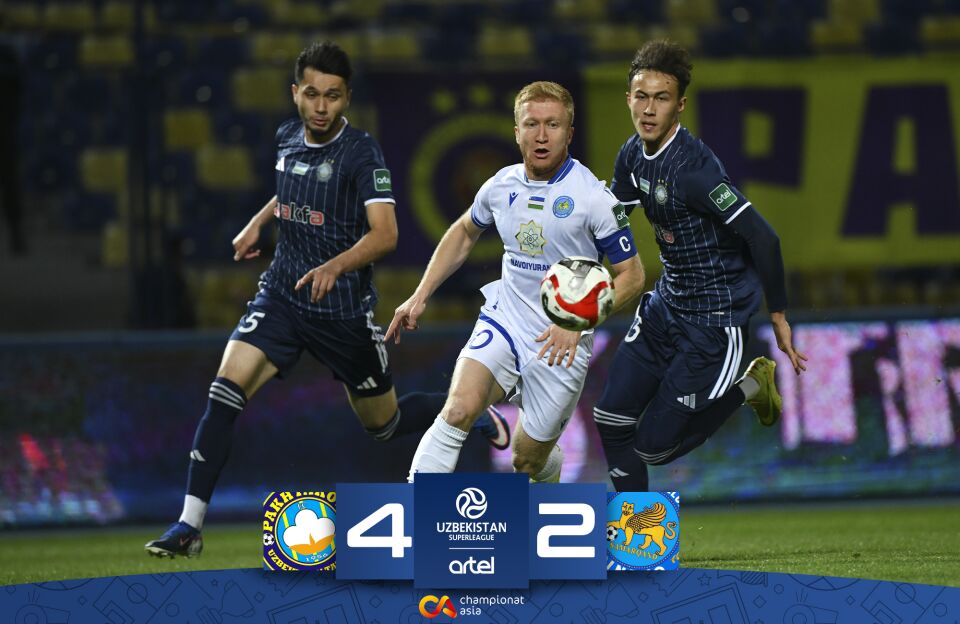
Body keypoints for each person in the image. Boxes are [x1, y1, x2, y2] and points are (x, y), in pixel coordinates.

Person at [145, 41, 508, 558]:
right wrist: (259, 221)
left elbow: (386, 234)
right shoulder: (286, 137)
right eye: (312, 94)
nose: (321, 106)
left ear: (347, 98)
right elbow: (290, 188)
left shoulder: (362, 154)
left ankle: (472, 413)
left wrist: (336, 266)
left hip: (342, 315)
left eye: (332, 96)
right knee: (224, 393)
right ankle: (188, 525)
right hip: (282, 297)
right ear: (295, 92)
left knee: (384, 426)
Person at [386, 81, 645, 483]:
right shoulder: (500, 185)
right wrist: (420, 295)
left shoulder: (594, 198)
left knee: (527, 461)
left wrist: (577, 322)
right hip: (505, 319)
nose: (541, 136)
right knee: (457, 409)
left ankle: (547, 464)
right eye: (531, 124)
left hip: (562, 342)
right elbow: (464, 231)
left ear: (569, 134)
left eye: (553, 125)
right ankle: (419, 512)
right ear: (516, 132)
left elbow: (633, 274)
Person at [592, 40, 809, 492]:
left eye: (661, 98)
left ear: (680, 105)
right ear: (628, 98)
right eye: (641, 96)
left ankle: (752, 385)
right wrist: (580, 276)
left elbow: (764, 238)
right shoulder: (631, 155)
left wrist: (778, 315)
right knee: (610, 418)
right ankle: (638, 534)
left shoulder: (695, 171)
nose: (649, 109)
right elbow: (610, 224)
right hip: (666, 306)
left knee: (653, 448)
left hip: (714, 322)